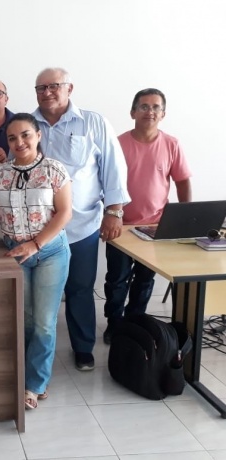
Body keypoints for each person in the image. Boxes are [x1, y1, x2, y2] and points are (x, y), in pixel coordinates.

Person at [0, 113, 72, 410]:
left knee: (44, 323)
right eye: (12, 137)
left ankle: (35, 385)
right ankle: (26, 374)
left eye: (25, 135)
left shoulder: (54, 170)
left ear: (38, 136)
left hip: (50, 253)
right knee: (26, 319)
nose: (19, 142)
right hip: (16, 254)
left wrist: (36, 244)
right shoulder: (0, 174)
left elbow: (64, 213)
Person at [32, 67, 130, 371]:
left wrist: (114, 212)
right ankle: (36, 349)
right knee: (40, 293)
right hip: (39, 228)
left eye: (54, 86)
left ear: (69, 88)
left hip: (82, 225)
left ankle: (83, 347)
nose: (47, 92)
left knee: (80, 288)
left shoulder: (93, 122)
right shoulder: (27, 124)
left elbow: (114, 167)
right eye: (40, 88)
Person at [103, 88, 192, 343]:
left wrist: (187, 218)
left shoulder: (172, 144)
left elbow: (182, 181)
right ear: (133, 112)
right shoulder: (117, 144)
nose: (149, 111)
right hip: (121, 226)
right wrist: (109, 215)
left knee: (144, 280)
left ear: (163, 114)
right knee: (117, 279)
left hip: (155, 226)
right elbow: (105, 182)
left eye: (155, 107)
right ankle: (114, 323)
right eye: (144, 106)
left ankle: (135, 323)